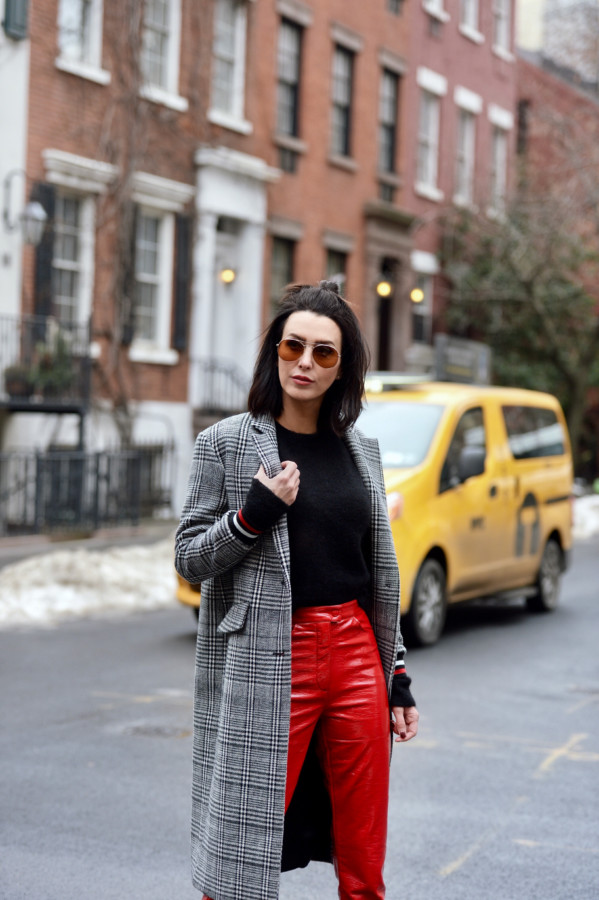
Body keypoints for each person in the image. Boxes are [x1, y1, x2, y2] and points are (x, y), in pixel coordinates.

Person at [175, 281, 419, 900]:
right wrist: (252, 515)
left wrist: (395, 673)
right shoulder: (226, 443)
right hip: (271, 653)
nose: (305, 362)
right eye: (293, 346)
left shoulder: (361, 450)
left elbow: (374, 571)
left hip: (356, 651)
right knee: (240, 844)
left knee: (363, 846)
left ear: (342, 368)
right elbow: (189, 559)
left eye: (323, 352)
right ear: (275, 352)